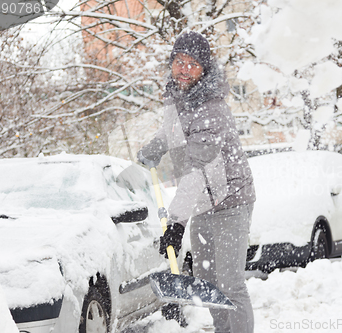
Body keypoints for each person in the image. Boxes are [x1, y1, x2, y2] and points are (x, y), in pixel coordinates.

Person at [137, 31, 256, 333]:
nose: (185, 69)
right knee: (208, 280)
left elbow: (198, 170)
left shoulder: (212, 108)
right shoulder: (176, 97)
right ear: (172, 64)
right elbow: (173, 132)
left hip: (230, 201)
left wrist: (177, 223)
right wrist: (157, 145)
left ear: (204, 70)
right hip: (203, 204)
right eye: (180, 62)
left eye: (193, 64)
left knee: (231, 283)